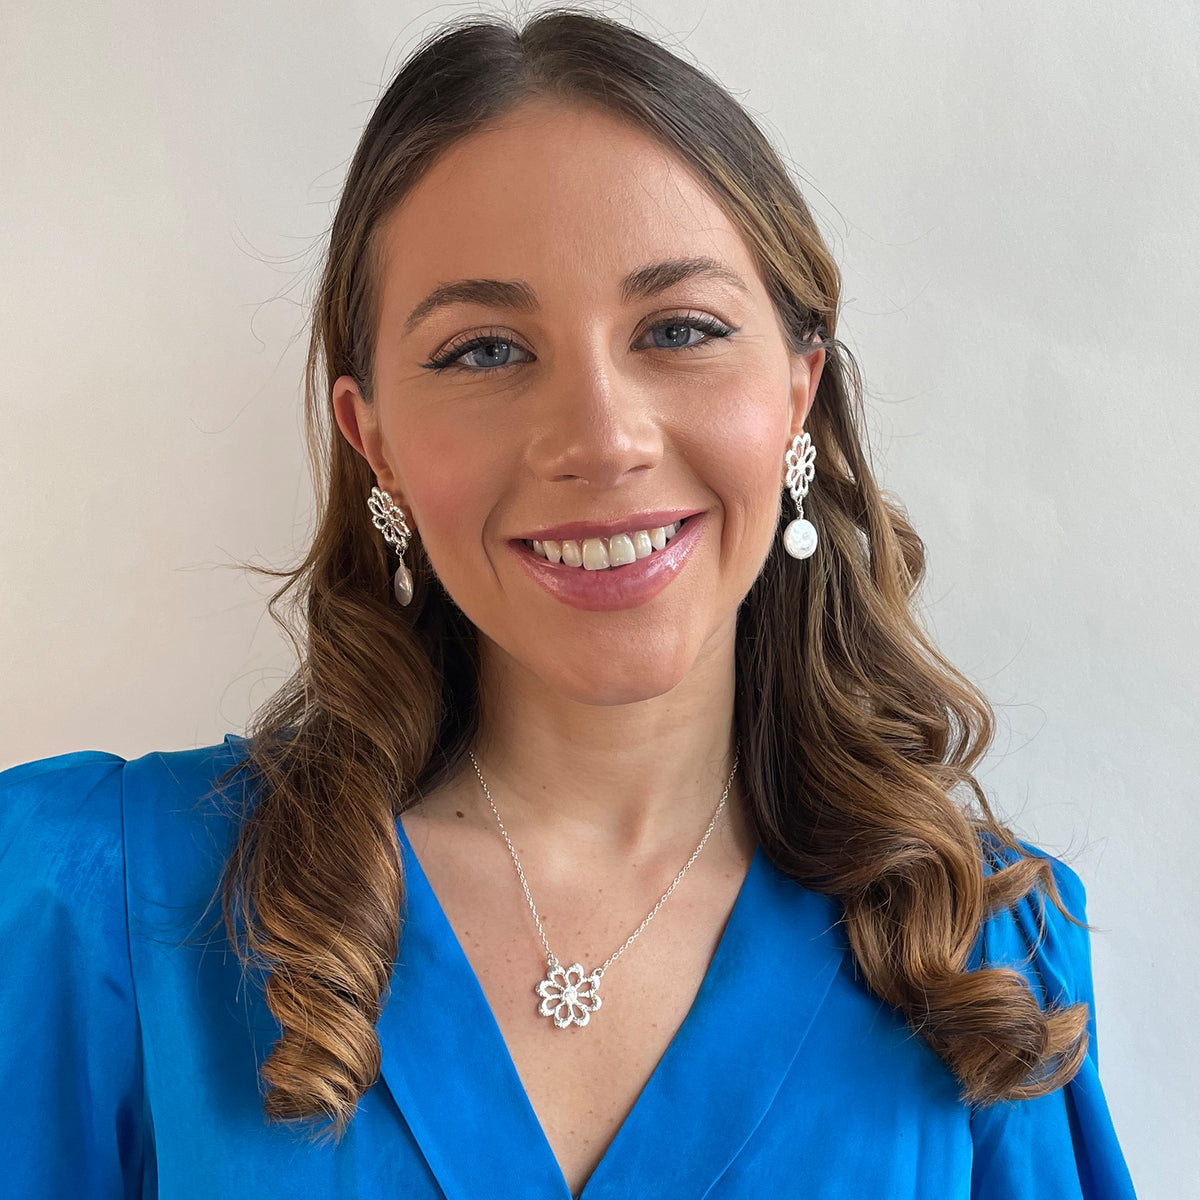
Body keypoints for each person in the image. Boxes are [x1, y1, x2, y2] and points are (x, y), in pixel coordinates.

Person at [0, 9, 1137, 1198]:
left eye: (681, 330)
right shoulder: (101, 900)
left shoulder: (988, 953)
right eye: (485, 351)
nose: (601, 440)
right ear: (373, 440)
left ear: (798, 394)